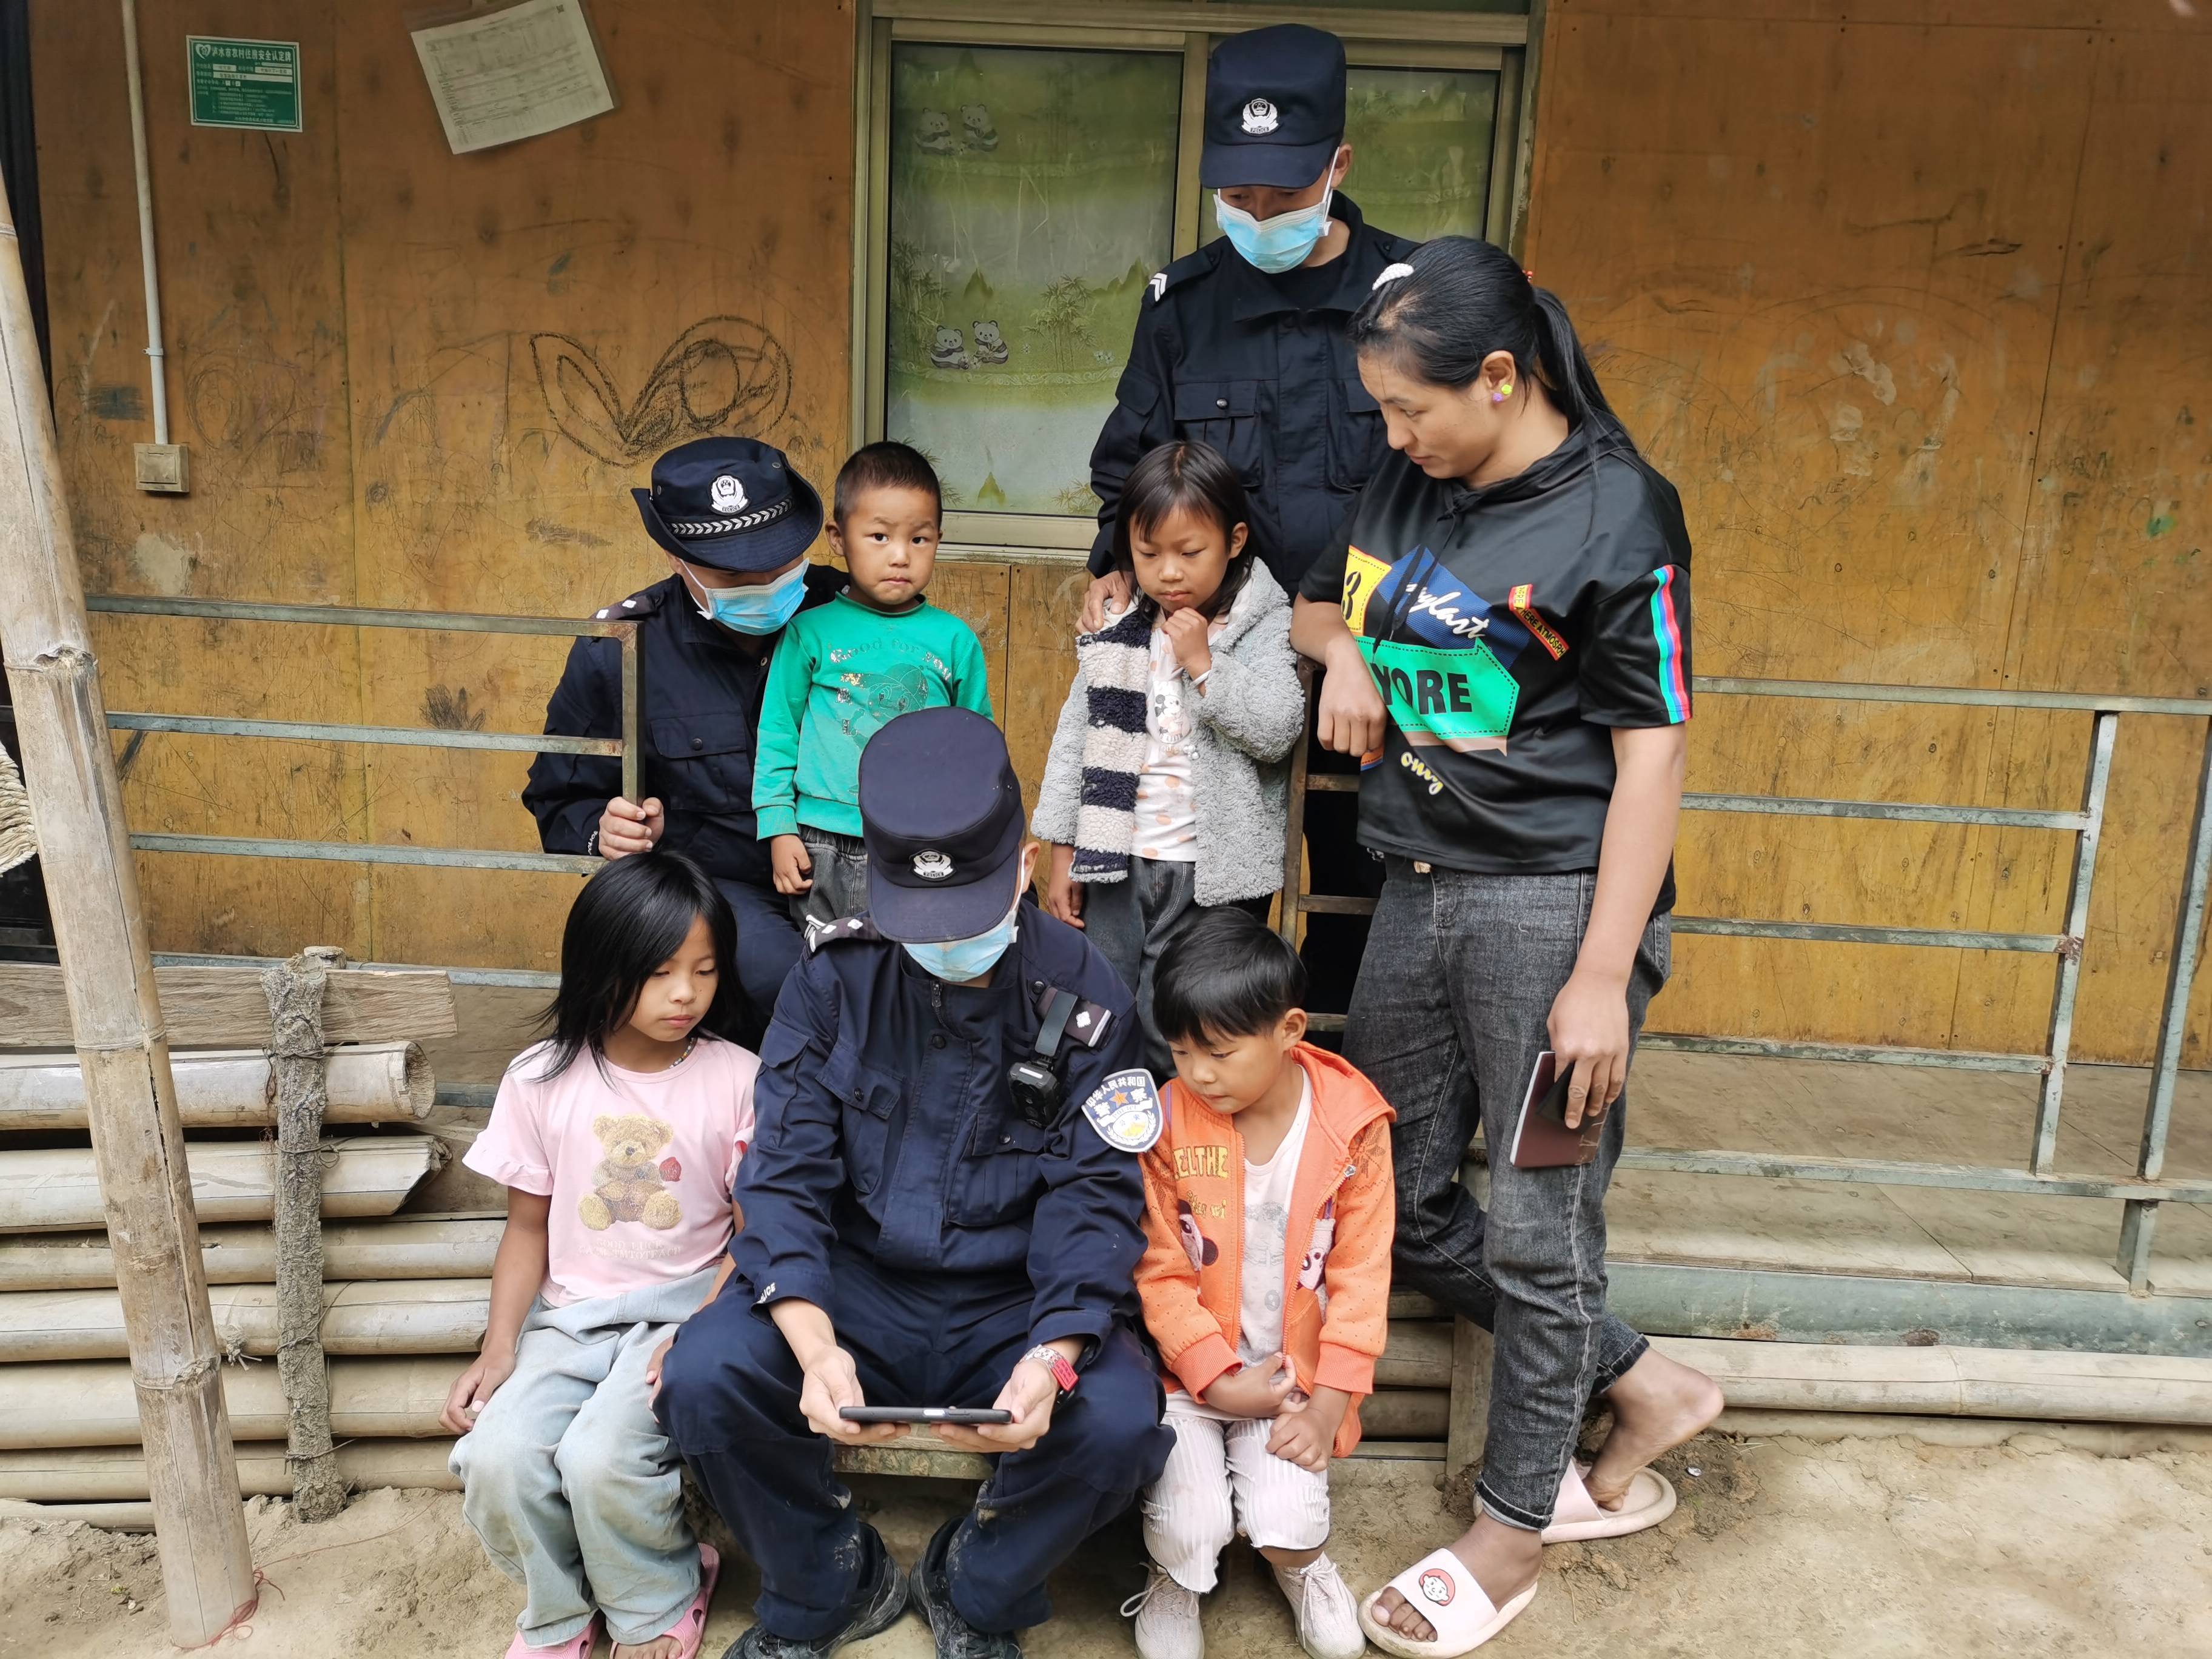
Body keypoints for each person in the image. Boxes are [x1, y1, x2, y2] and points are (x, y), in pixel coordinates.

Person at [1286, 238, 1724, 1656]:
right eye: (1383, 416)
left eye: (1414, 409)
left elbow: (1650, 756)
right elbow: (1312, 599)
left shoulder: (1617, 513)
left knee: (1541, 1226)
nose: (1396, 437)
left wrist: (1602, 971)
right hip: (1415, 883)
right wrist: (1344, 649)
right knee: (1398, 1193)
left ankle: (1513, 1525)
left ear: (1500, 372)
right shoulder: (1409, 477)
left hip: (1551, 905)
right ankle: (1642, 1379)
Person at [654, 706, 1175, 1659]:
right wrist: (811, 1345)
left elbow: (1094, 1202)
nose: (945, 943)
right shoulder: (832, 979)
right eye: (922, 922)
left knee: (1120, 1425)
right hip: (854, 1293)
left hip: (1010, 1305)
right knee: (704, 1375)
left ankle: (974, 1585)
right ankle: (828, 1581)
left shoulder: (1091, 995)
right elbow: (784, 1180)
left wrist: (1052, 1358)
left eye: (966, 919)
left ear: (1023, 864)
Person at [1084, 22, 1420, 1030]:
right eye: (1238, 197)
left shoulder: (1410, 302)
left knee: (1361, 882)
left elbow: (1444, 479)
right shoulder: (1181, 306)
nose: (1258, 215)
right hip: (1213, 652)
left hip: (1372, 651)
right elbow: (1130, 465)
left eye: (1282, 195)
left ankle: (1333, 1083)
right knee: (1206, 881)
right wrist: (1114, 565)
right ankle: (1209, 1076)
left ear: (1338, 165)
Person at [443, 852, 763, 1659]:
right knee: (498, 1456)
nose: (685, 994)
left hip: (685, 1312)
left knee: (602, 1459)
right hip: (572, 1314)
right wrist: (500, 1345)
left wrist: (705, 1332)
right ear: (601, 968)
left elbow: (754, 1230)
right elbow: (526, 1229)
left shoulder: (738, 1079)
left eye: (704, 970)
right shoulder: (543, 1079)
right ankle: (561, 1612)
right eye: (658, 974)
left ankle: (659, 1600)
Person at [1122, 909, 1393, 1659]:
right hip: (1189, 1375)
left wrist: (1332, 1398)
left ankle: (1303, 1566)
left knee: (1289, 1522)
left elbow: (1363, 1273)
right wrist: (1213, 1377)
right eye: (1180, 1051)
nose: (1198, 1074)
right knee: (1189, 1522)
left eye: (1218, 1052)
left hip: (1294, 1379)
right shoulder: (1170, 1121)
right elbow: (1159, 1266)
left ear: (1290, 1029)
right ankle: (1175, 1574)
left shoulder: (1354, 1127)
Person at [525, 436, 843, 1018]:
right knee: (783, 981)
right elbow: (557, 799)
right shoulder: (622, 649)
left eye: (778, 560)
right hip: (719, 888)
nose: (762, 582)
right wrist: (607, 829)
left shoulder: (857, 613)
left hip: (854, 866)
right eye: (731, 574)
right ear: (676, 559)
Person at [1034, 441, 1304, 1074]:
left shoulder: (1262, 622)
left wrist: (1207, 667)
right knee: (1100, 1007)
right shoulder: (1123, 621)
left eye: (1190, 552)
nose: (1169, 572)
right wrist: (1062, 851)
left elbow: (1277, 728)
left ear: (1235, 540)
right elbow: (1076, 736)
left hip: (1208, 877)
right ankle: (1104, 1152)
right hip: (1117, 859)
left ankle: (1176, 1153)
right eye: (1148, 553)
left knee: (1183, 1019)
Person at [755, 441, 993, 927]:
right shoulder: (810, 632)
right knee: (825, 970)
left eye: (920, 540)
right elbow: (778, 733)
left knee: (907, 971)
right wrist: (778, 828)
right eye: (880, 536)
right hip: (821, 839)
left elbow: (979, 748)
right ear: (839, 538)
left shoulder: (954, 641)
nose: (901, 556)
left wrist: (972, 835)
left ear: (939, 540)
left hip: (921, 839)